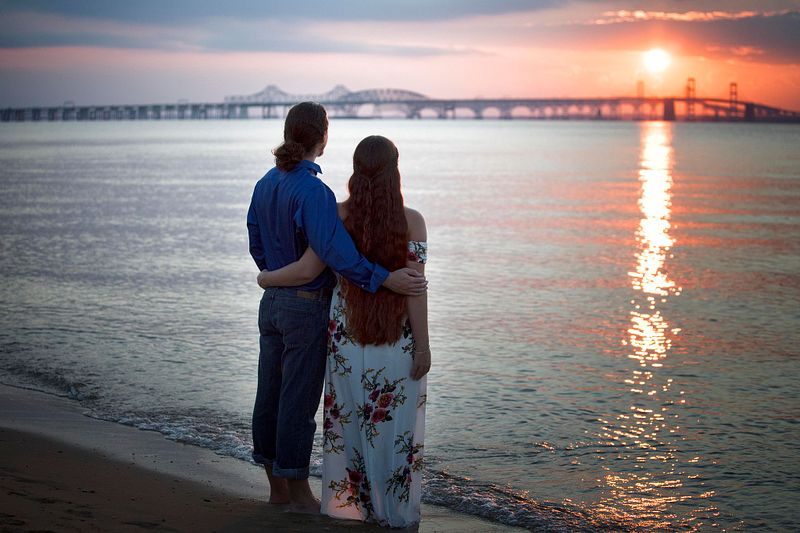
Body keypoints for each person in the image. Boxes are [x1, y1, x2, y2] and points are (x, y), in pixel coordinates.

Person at [247, 103, 427, 514]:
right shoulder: (315, 192)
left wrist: (271, 274)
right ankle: (297, 494)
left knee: (269, 395)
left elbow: (255, 240)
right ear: (322, 138)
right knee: (297, 401)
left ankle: (275, 490)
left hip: (271, 303)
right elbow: (335, 255)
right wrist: (383, 277)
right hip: (304, 305)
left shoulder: (264, 183)